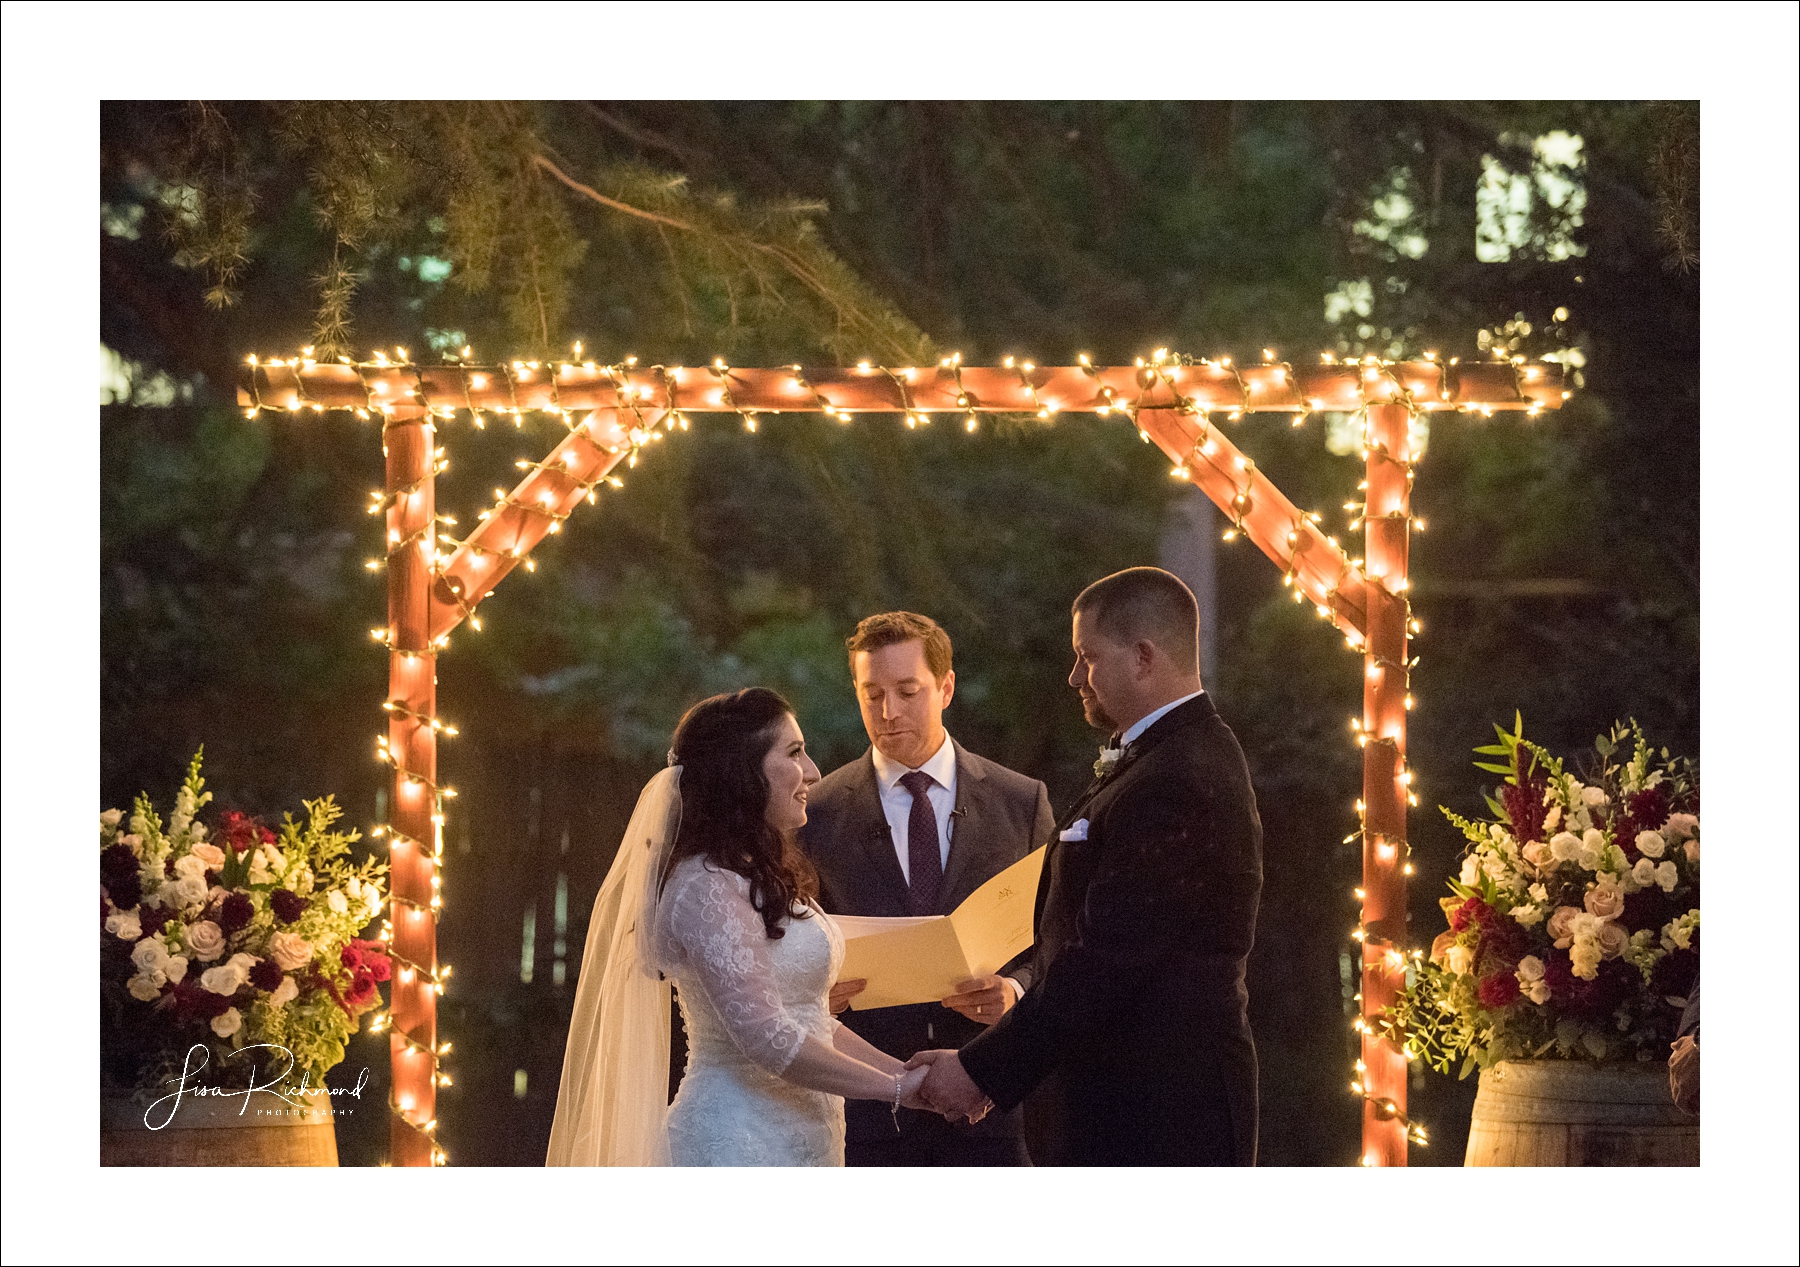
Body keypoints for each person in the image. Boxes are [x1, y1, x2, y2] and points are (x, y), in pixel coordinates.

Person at [909, 567, 1263, 1166]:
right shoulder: (1158, 758)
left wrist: (980, 1070)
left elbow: (1108, 959)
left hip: (1161, 1116)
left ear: (1143, 656)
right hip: (1122, 1103)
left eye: (1086, 657)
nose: (1075, 676)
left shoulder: (1179, 775)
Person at [546, 687, 930, 1166]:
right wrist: (896, 1089)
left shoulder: (754, 874)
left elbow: (807, 1018)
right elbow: (767, 1037)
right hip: (735, 1141)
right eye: (794, 753)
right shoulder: (705, 886)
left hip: (809, 1137)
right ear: (741, 773)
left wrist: (907, 1075)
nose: (812, 771)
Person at [799, 612, 1055, 1166]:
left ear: (947, 687)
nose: (888, 713)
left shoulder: (1022, 801)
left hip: (990, 1105)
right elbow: (779, 947)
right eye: (873, 695)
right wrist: (813, 992)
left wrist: (1013, 990)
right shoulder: (813, 814)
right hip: (861, 1115)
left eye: (907, 692)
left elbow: (1056, 939)